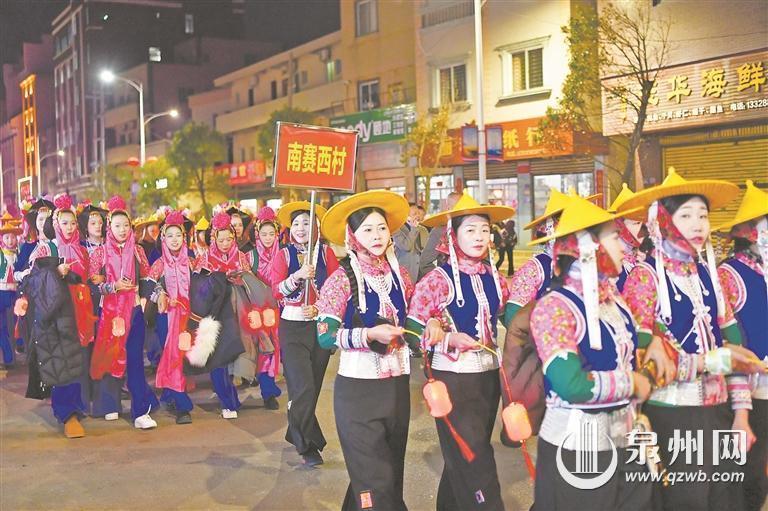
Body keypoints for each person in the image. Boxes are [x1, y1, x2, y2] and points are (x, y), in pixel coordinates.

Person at [619, 169, 765, 511]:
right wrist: (706, 362)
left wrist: (741, 415)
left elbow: (735, 349)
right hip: (670, 416)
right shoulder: (645, 278)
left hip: (719, 412)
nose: (698, 224)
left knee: (725, 500)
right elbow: (638, 360)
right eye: (686, 216)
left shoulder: (710, 277)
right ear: (661, 222)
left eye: (703, 215)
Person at [527, 194, 655, 510]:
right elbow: (571, 385)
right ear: (589, 248)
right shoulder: (554, 307)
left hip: (625, 439)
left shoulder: (614, 300)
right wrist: (632, 383)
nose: (623, 247)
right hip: (578, 447)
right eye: (614, 238)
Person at [405, 193, 516, 511]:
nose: (479, 237)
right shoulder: (436, 281)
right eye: (470, 230)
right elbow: (412, 330)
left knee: (464, 454)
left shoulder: (494, 278)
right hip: (453, 378)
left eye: (484, 230)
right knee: (474, 457)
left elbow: (510, 318)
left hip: (489, 379)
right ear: (452, 235)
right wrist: (445, 337)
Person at [317, 191, 414, 510]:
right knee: (377, 482)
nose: (377, 235)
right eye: (368, 229)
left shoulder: (401, 276)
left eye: (382, 228)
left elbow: (415, 321)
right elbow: (325, 336)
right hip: (358, 394)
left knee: (389, 476)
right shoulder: (340, 280)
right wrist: (368, 334)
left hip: (398, 390)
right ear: (353, 235)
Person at [272, 200, 339, 466]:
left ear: (316, 227)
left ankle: (296, 431)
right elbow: (276, 291)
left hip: (318, 328)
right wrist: (298, 276)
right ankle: (305, 445)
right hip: (292, 328)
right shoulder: (284, 255)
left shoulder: (326, 254)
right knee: (303, 388)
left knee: (312, 390)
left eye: (307, 223)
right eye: (297, 223)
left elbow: (337, 290)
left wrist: (320, 307)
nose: (301, 228)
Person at [21, 194, 93, 438]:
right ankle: (67, 414)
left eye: (72, 223)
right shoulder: (46, 249)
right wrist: (56, 272)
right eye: (64, 223)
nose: (69, 227)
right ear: (55, 225)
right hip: (58, 315)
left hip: (81, 313)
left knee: (77, 363)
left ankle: (75, 408)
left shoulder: (81, 250)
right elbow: (31, 282)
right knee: (63, 365)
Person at [716, 180, 768, 511]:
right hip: (749, 388)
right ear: (751, 234)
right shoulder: (729, 274)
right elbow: (725, 334)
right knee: (750, 472)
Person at [88, 195, 160, 429]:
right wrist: (113, 287)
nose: (122, 230)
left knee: (135, 360)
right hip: (108, 314)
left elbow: (147, 278)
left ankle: (140, 412)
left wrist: (154, 296)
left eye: (126, 225)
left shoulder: (138, 251)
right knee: (109, 356)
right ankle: (109, 404)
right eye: (117, 225)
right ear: (109, 228)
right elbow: (93, 285)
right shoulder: (99, 253)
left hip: (134, 312)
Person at [251, 206, 282, 410]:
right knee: (265, 352)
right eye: (264, 234)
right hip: (259, 313)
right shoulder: (250, 257)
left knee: (279, 350)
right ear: (257, 234)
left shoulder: (284, 254)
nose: (268, 238)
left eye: (271, 234)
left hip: (282, 310)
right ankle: (268, 392)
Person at [607, 184, 647, 292]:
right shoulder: (610, 261)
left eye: (643, 222)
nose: (642, 228)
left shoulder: (644, 253)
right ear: (620, 226)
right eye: (636, 223)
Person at [417, 192, 462, 280]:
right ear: (448, 208)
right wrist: (443, 279)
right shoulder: (440, 231)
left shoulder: (473, 229)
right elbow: (425, 263)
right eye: (458, 206)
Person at [0, 217, 21, 367]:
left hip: (14, 293)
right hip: (2, 293)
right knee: (3, 326)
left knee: (13, 324)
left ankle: (12, 356)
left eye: (13, 237)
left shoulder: (18, 254)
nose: (10, 240)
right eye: (7, 237)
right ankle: (9, 358)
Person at [392, 202, 429, 284]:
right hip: (407, 273)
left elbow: (428, 249)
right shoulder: (397, 229)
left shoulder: (423, 229)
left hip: (423, 272)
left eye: (418, 213)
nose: (418, 216)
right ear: (406, 216)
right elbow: (406, 247)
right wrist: (413, 228)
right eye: (415, 214)